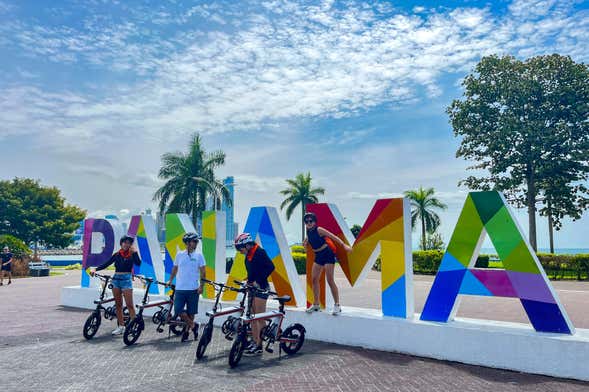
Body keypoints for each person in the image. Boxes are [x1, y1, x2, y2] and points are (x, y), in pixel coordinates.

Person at [90, 235, 141, 335]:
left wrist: (135, 253)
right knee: (118, 305)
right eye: (124, 242)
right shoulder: (117, 254)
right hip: (116, 279)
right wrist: (95, 269)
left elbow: (138, 263)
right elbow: (107, 263)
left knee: (130, 305)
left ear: (131, 245)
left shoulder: (132, 254)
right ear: (121, 243)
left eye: (128, 243)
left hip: (126, 280)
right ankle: (121, 326)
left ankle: (134, 326)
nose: (126, 244)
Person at [234, 232, 275, 356]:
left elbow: (270, 267)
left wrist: (258, 281)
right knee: (252, 317)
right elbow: (253, 271)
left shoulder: (259, 252)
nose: (239, 251)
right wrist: (248, 280)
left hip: (261, 288)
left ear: (247, 245)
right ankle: (254, 341)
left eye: (240, 248)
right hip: (252, 289)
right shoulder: (248, 255)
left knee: (259, 317)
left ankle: (259, 346)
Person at [304, 212, 352, 315]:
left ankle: (337, 305)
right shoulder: (308, 232)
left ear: (315, 222)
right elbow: (310, 241)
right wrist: (305, 243)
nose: (308, 223)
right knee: (314, 279)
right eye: (306, 221)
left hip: (327, 253)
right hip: (318, 256)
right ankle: (316, 304)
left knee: (330, 280)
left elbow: (332, 236)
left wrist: (344, 245)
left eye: (310, 221)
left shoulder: (319, 229)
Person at [167, 232, 205, 342]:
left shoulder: (199, 256)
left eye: (196, 241)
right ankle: (194, 326)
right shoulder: (179, 254)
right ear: (187, 243)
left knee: (191, 312)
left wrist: (201, 286)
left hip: (193, 289)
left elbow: (203, 273)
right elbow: (175, 268)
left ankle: (187, 332)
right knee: (178, 310)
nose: (196, 243)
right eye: (194, 241)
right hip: (180, 289)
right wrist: (170, 280)